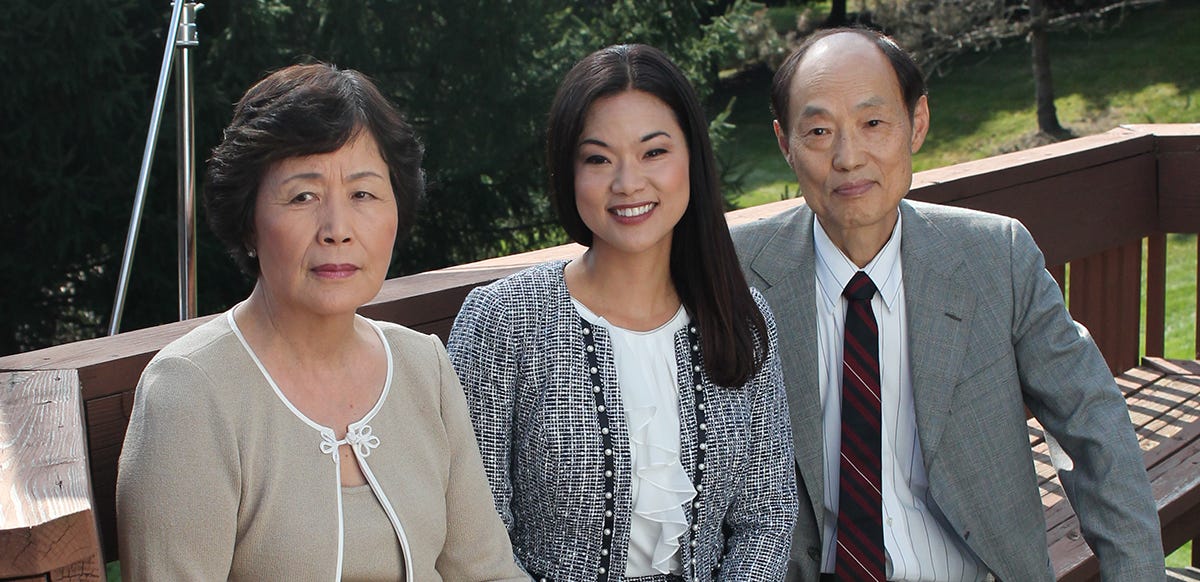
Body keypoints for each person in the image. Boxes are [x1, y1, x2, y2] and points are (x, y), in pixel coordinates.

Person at [731, 28, 1163, 581]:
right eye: (818, 131)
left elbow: (1092, 425)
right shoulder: (738, 274)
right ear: (784, 143)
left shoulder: (997, 259)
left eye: (873, 123)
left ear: (917, 123)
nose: (848, 157)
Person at [116, 63, 528, 581]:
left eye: (363, 194)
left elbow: (486, 571)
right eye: (303, 196)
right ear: (248, 223)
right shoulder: (190, 392)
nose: (337, 229)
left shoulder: (423, 365)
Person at [448, 44, 797, 581]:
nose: (628, 183)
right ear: (568, 171)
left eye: (653, 152)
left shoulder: (742, 319)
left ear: (692, 158)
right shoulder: (504, 320)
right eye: (598, 159)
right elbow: (476, 537)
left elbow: (767, 518)